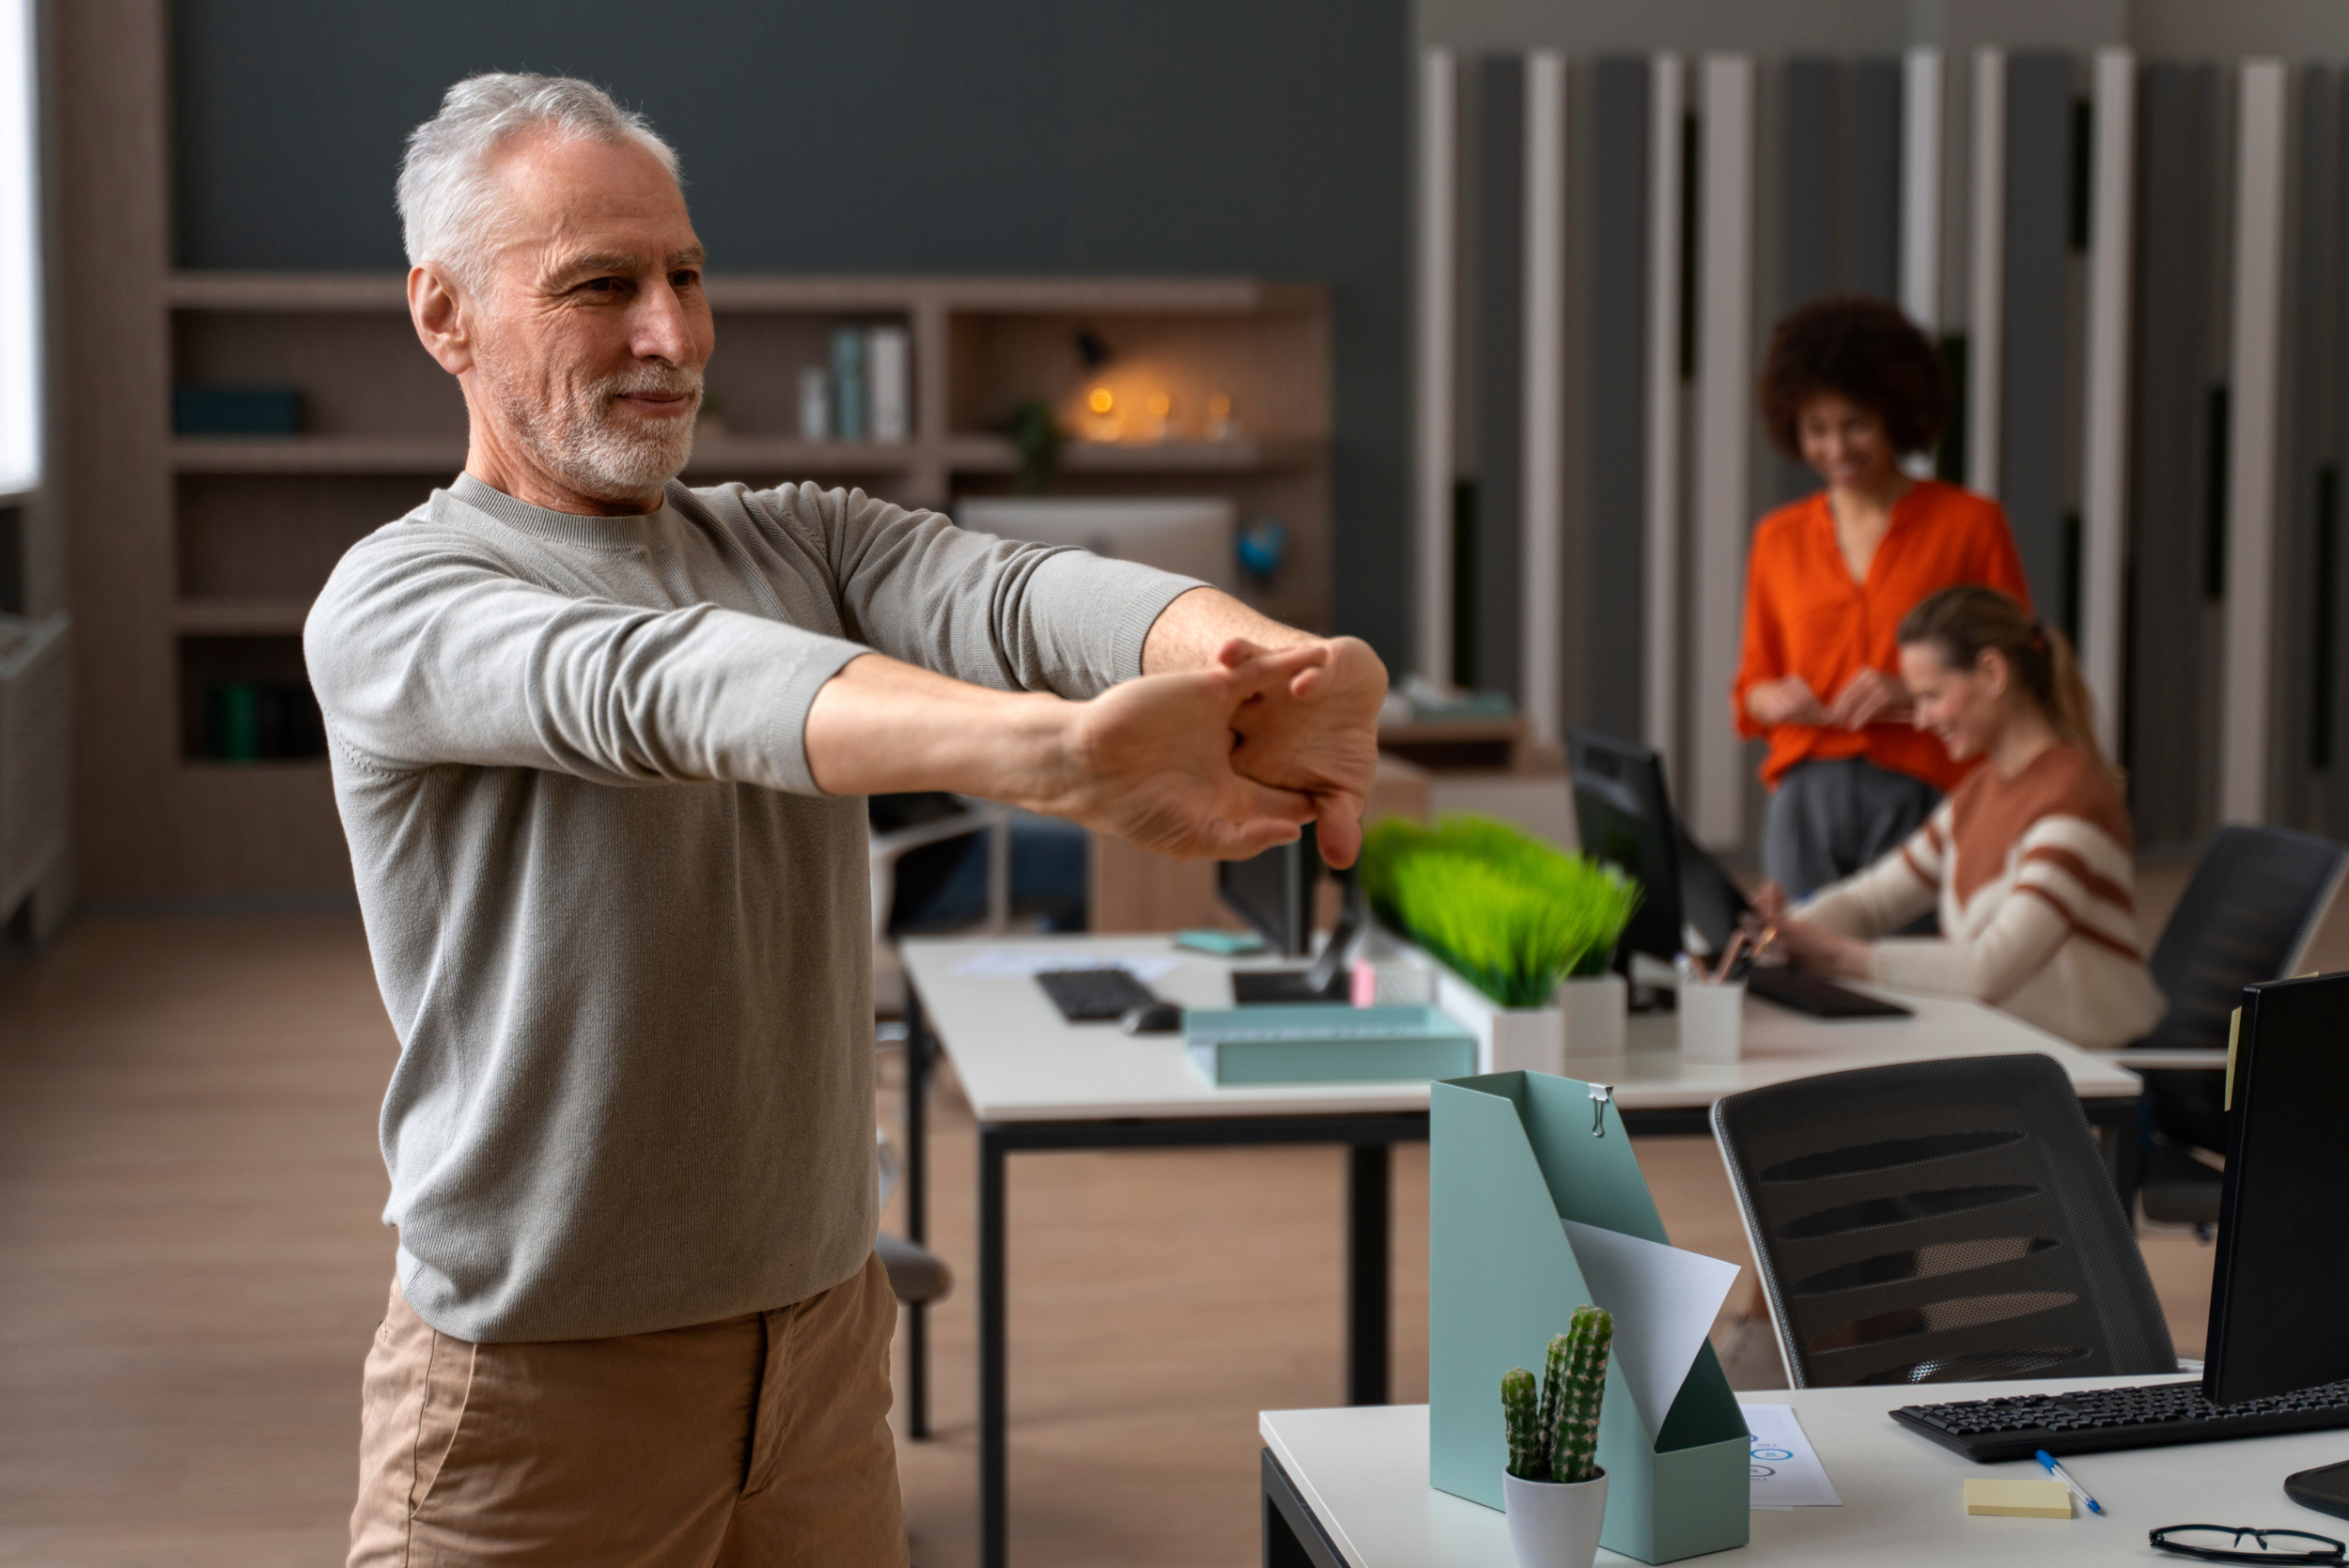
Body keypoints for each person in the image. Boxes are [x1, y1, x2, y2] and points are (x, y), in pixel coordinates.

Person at [304, 74, 1386, 1567]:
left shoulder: (792, 535)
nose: (670, 336)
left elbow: (1013, 592)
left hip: (818, 1352)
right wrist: (1050, 759)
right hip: (540, 1391)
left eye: (685, 276)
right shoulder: (399, 598)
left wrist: (1258, 661)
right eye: (599, 287)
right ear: (446, 316)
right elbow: (664, 686)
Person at [1750, 586, 2168, 1050]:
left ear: (1991, 673)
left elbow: (1991, 968)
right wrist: (1781, 932)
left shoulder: (2073, 798)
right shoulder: (1979, 792)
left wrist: (1837, 957)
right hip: (2010, 1051)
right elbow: (1872, 902)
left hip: (2085, 1075)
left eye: (1931, 696)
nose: (1922, 720)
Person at [1734, 296, 2032, 900]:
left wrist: (1915, 692)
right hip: (1804, 804)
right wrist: (1774, 697)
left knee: (1908, 973)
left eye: (1856, 424)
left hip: (1927, 795)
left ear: (1897, 414)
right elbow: (1751, 687)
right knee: (1807, 973)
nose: (1836, 449)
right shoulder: (1778, 539)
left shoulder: (1970, 525)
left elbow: (2020, 666)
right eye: (1816, 430)